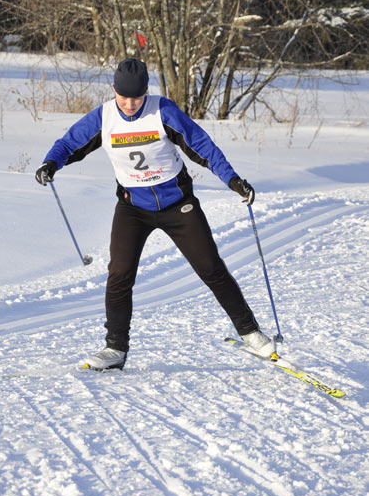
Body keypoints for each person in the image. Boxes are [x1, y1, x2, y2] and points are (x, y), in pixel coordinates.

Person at [36, 58, 275, 371]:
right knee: (119, 274)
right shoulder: (104, 117)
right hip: (132, 207)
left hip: (178, 204)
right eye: (124, 97)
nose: (130, 104)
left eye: (136, 97)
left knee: (210, 268)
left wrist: (233, 181)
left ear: (145, 93)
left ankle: (251, 334)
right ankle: (115, 349)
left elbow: (202, 146)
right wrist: (50, 163)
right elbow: (69, 143)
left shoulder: (163, 111)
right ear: (113, 91)